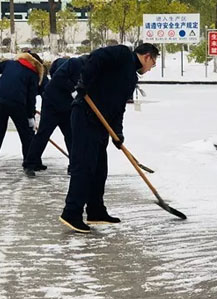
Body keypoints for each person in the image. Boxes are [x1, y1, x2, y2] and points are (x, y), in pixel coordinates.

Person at [59, 43, 159, 233]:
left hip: (101, 123)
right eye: (152, 64)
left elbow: (118, 108)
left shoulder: (130, 78)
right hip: (85, 115)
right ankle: (71, 212)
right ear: (147, 56)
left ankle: (96, 210)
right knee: (84, 166)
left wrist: (118, 133)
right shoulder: (121, 53)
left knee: (99, 168)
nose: (150, 68)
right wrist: (84, 83)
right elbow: (96, 58)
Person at [23, 55, 87, 177]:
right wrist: (73, 90)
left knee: (71, 136)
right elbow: (59, 78)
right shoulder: (75, 64)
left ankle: (74, 166)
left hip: (68, 106)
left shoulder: (88, 71)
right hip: (52, 104)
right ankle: (29, 164)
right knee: (43, 134)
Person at [0, 52, 45, 171]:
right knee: (26, 133)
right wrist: (30, 117)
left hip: (0, 99)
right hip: (18, 103)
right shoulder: (32, 74)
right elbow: (30, 99)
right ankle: (30, 164)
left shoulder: (10, 64)